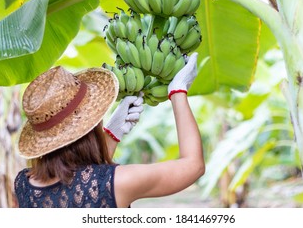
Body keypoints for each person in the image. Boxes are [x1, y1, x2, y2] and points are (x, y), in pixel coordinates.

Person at [14, 53, 204, 208]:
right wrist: (178, 92)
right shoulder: (118, 182)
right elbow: (193, 166)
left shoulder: (23, 184)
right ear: (90, 123)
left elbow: (85, 182)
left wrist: (112, 134)